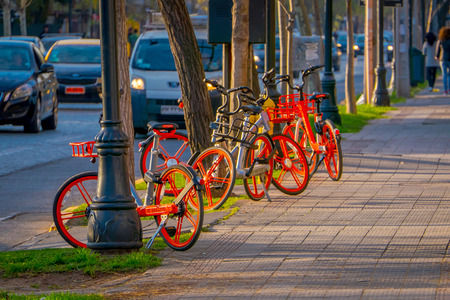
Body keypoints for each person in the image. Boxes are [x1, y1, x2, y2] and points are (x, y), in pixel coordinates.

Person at [435, 26, 450, 95]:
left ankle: (445, 91)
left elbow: (438, 50)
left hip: (443, 59)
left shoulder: (440, 40)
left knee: (444, 75)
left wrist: (437, 56)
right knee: (449, 75)